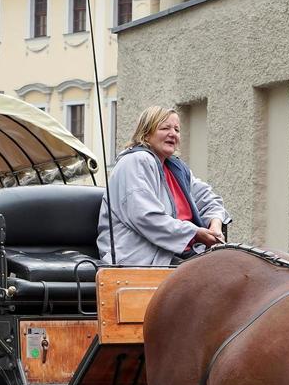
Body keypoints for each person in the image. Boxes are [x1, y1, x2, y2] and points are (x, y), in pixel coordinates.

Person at [99, 106, 230, 266]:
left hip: (181, 257)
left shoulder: (177, 168)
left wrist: (215, 225)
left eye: (177, 129)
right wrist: (195, 233)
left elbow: (210, 200)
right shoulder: (135, 161)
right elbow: (146, 217)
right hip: (141, 260)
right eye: (165, 128)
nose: (173, 134)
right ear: (146, 134)